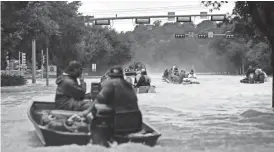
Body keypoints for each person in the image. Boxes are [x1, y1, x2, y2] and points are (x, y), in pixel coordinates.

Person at [78, 66, 143, 146]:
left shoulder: (110, 83)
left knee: (97, 109)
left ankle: (98, 138)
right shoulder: (128, 85)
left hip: (120, 121)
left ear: (110, 76)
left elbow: (98, 100)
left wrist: (86, 112)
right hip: (136, 120)